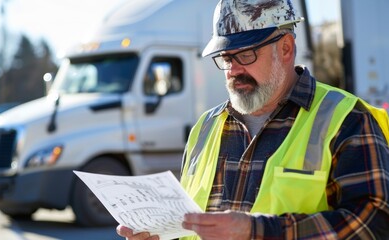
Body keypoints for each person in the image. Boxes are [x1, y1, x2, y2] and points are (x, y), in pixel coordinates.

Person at [117, 0, 389, 239]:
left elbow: (374, 224)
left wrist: (255, 232)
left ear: (285, 48)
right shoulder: (205, 127)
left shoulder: (347, 118)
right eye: (225, 57)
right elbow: (189, 226)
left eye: (245, 54)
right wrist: (160, 236)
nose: (234, 69)